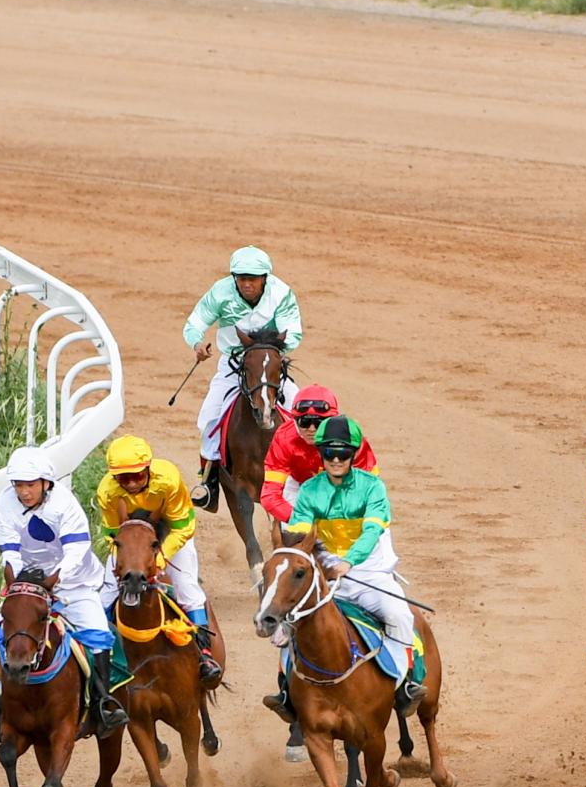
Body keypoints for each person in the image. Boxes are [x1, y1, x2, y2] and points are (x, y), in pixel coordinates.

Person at [265, 415, 422, 718]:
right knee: (286, 625)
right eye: (329, 453)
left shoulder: (373, 487)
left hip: (368, 573)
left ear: (353, 453)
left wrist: (349, 561)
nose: (336, 459)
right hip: (323, 576)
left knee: (399, 614)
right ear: (320, 454)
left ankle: (407, 685)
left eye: (343, 453)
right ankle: (286, 691)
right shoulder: (309, 491)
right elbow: (299, 533)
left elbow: (372, 531)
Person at [0, 447, 128, 736]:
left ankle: (103, 705)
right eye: (18, 485)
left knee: (99, 634)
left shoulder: (65, 503)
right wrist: (17, 582)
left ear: (45, 483)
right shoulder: (4, 502)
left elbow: (76, 551)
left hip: (74, 584)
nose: (23, 492)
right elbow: (10, 550)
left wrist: (53, 580)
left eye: (30, 485)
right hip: (28, 585)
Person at [93, 435, 222, 685]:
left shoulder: (168, 480)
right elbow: (112, 533)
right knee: (105, 593)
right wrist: (129, 560)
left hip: (169, 534)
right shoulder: (107, 491)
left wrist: (159, 560)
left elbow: (184, 528)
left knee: (187, 588)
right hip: (130, 541)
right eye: (122, 477)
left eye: (137, 476)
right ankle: (102, 654)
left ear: (148, 468)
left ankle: (204, 654)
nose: (130, 483)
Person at [182, 245, 303, 510]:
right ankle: (208, 482)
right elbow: (194, 323)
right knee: (210, 417)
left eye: (253, 278)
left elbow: (294, 334)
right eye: (241, 277)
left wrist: (265, 347)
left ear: (265, 278)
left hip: (268, 362)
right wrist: (197, 343)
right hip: (233, 363)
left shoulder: (281, 294)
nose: (247, 283)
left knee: (303, 408)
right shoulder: (220, 292)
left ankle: (312, 474)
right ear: (234, 277)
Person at [259, 385, 378, 524]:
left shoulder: (352, 438)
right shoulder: (283, 438)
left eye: (318, 423)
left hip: (344, 489)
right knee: (293, 534)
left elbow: (371, 491)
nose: (311, 429)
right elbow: (270, 495)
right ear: (294, 419)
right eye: (304, 422)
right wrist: (299, 519)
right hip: (299, 486)